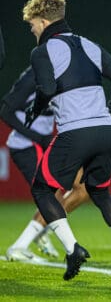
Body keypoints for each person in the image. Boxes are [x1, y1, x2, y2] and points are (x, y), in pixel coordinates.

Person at [23, 0, 111, 280]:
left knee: (41, 190)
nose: (33, 32)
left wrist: (34, 109)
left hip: (75, 132)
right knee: (99, 191)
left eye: (32, 26)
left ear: (42, 20)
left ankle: (72, 249)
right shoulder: (89, 44)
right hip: (104, 131)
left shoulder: (42, 51)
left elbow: (48, 88)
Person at [0, 67, 89, 262]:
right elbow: (6, 111)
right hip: (26, 146)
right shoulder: (34, 75)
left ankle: (42, 228)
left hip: (47, 143)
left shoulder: (65, 76)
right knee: (51, 195)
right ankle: (20, 246)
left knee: (83, 188)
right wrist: (37, 136)